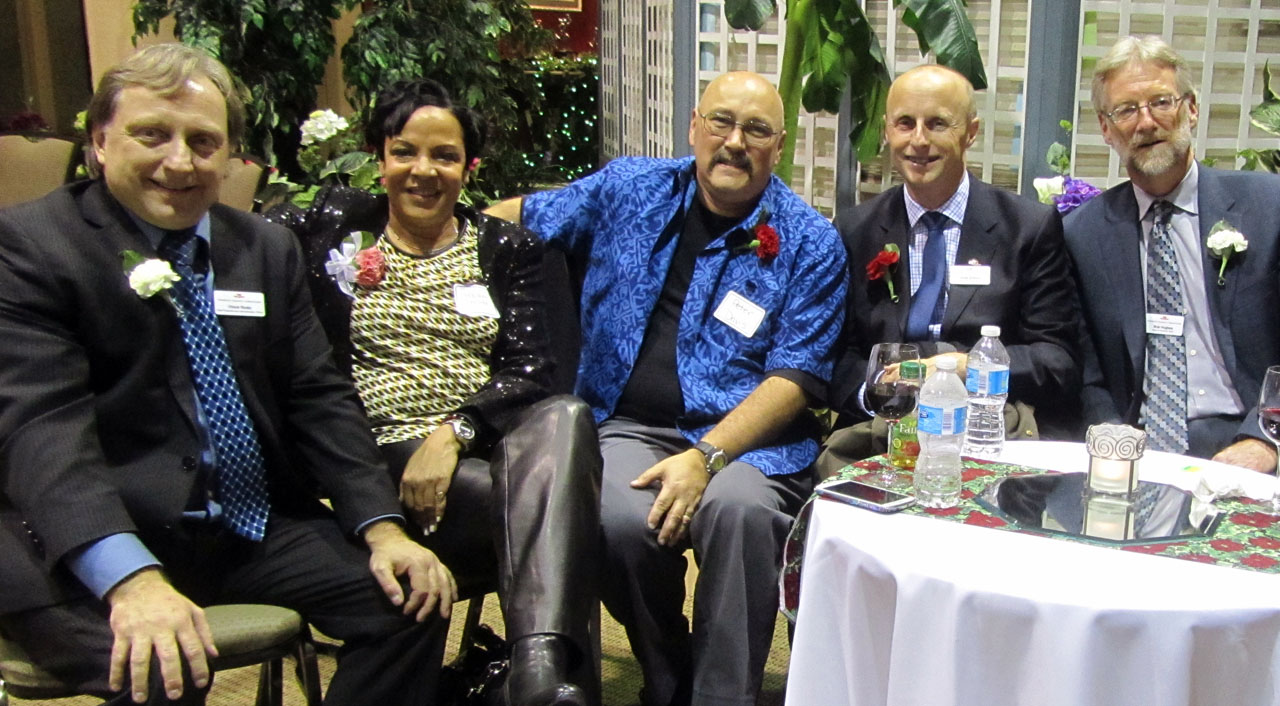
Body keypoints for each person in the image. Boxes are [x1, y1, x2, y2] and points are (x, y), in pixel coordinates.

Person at [0, 44, 453, 706]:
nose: (179, 161)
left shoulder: (263, 247)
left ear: (232, 158)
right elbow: (44, 430)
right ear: (99, 142)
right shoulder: (34, 246)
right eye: (151, 135)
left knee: (413, 599)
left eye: (202, 141)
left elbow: (318, 397)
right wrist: (133, 582)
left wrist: (382, 528)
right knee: (160, 660)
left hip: (244, 528)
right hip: (81, 537)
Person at [486, 71, 848, 706]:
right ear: (694, 126)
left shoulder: (810, 241)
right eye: (721, 122)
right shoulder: (630, 188)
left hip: (749, 447)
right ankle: (668, 671)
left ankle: (721, 696)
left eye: (756, 129)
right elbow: (514, 218)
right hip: (628, 426)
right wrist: (424, 245)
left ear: (779, 144)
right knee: (613, 519)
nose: (735, 142)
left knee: (740, 513)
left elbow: (795, 379)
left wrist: (706, 458)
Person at [264, 78, 601, 706]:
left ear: (468, 167)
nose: (424, 171)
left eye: (444, 156)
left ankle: (533, 669)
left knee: (566, 414)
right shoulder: (329, 230)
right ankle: (546, 672)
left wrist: (455, 433)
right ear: (380, 156)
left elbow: (531, 370)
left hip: (480, 447)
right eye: (405, 151)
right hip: (372, 455)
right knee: (567, 512)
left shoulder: (506, 249)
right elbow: (244, 239)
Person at [820, 64, 1081, 472]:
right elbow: (838, 356)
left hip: (988, 434)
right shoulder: (856, 229)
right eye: (905, 124)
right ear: (887, 131)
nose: (918, 141)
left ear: (970, 132)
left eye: (938, 123)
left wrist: (968, 366)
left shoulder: (1026, 228)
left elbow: (1056, 360)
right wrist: (877, 391)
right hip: (880, 435)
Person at [1064, 35, 1280, 471]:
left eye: (1161, 102)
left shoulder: (1269, 207)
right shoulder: (1082, 233)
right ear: (1106, 129)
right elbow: (1088, 372)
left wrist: (1265, 441)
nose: (1146, 123)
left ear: (1191, 108)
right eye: (1126, 110)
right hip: (1138, 444)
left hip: (1249, 432)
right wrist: (1109, 438)